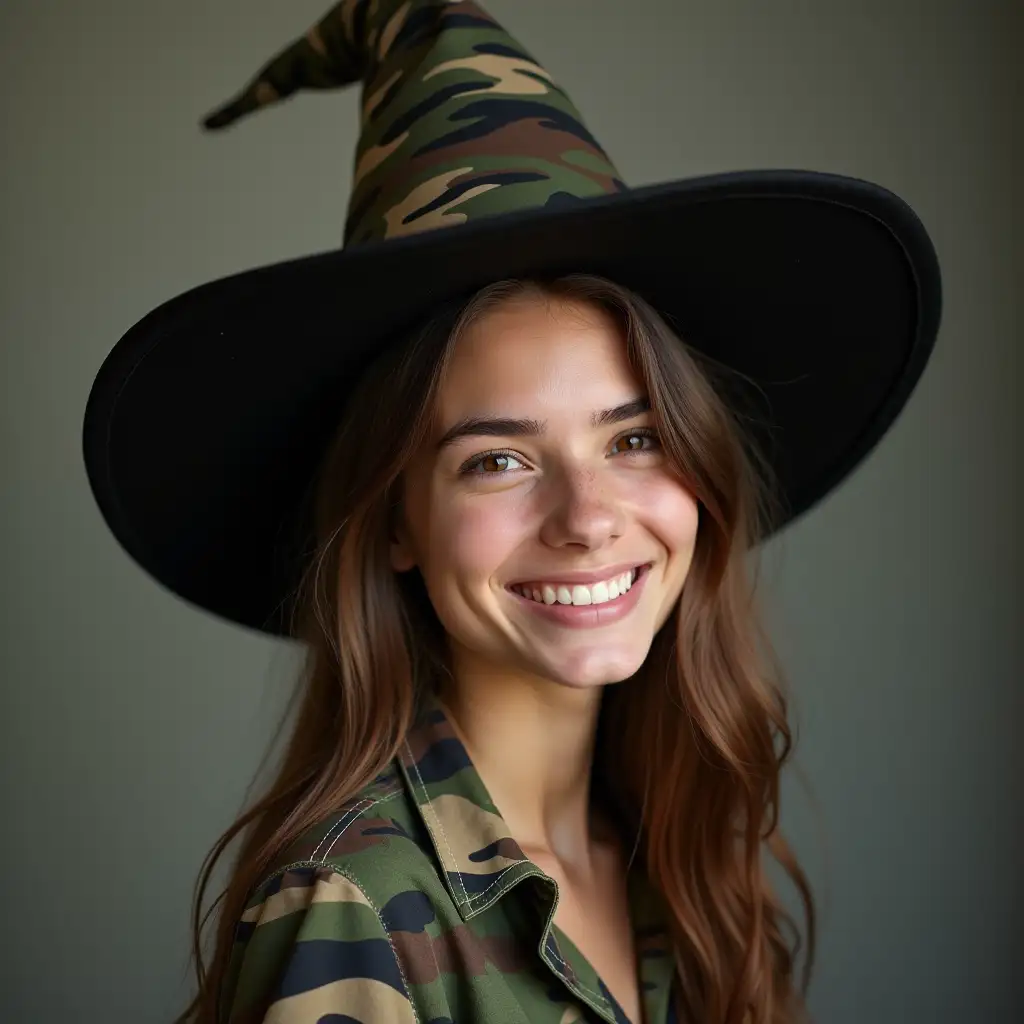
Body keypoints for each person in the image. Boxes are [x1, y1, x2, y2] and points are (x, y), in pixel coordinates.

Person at [82, 2, 941, 1022]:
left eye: (635, 438)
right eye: (496, 459)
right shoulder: (355, 919)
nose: (587, 516)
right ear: (394, 522)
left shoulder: (683, 864)